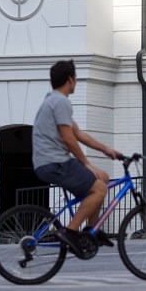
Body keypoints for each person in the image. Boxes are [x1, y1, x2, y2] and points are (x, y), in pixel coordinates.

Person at [32, 59, 120, 250]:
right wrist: (87, 163)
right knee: (100, 189)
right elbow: (69, 138)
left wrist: (107, 150)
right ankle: (70, 231)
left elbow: (79, 134)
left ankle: (91, 231)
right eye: (76, 78)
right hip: (55, 162)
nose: (77, 81)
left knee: (103, 178)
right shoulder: (60, 102)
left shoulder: (53, 100)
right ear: (70, 79)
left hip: (50, 162)